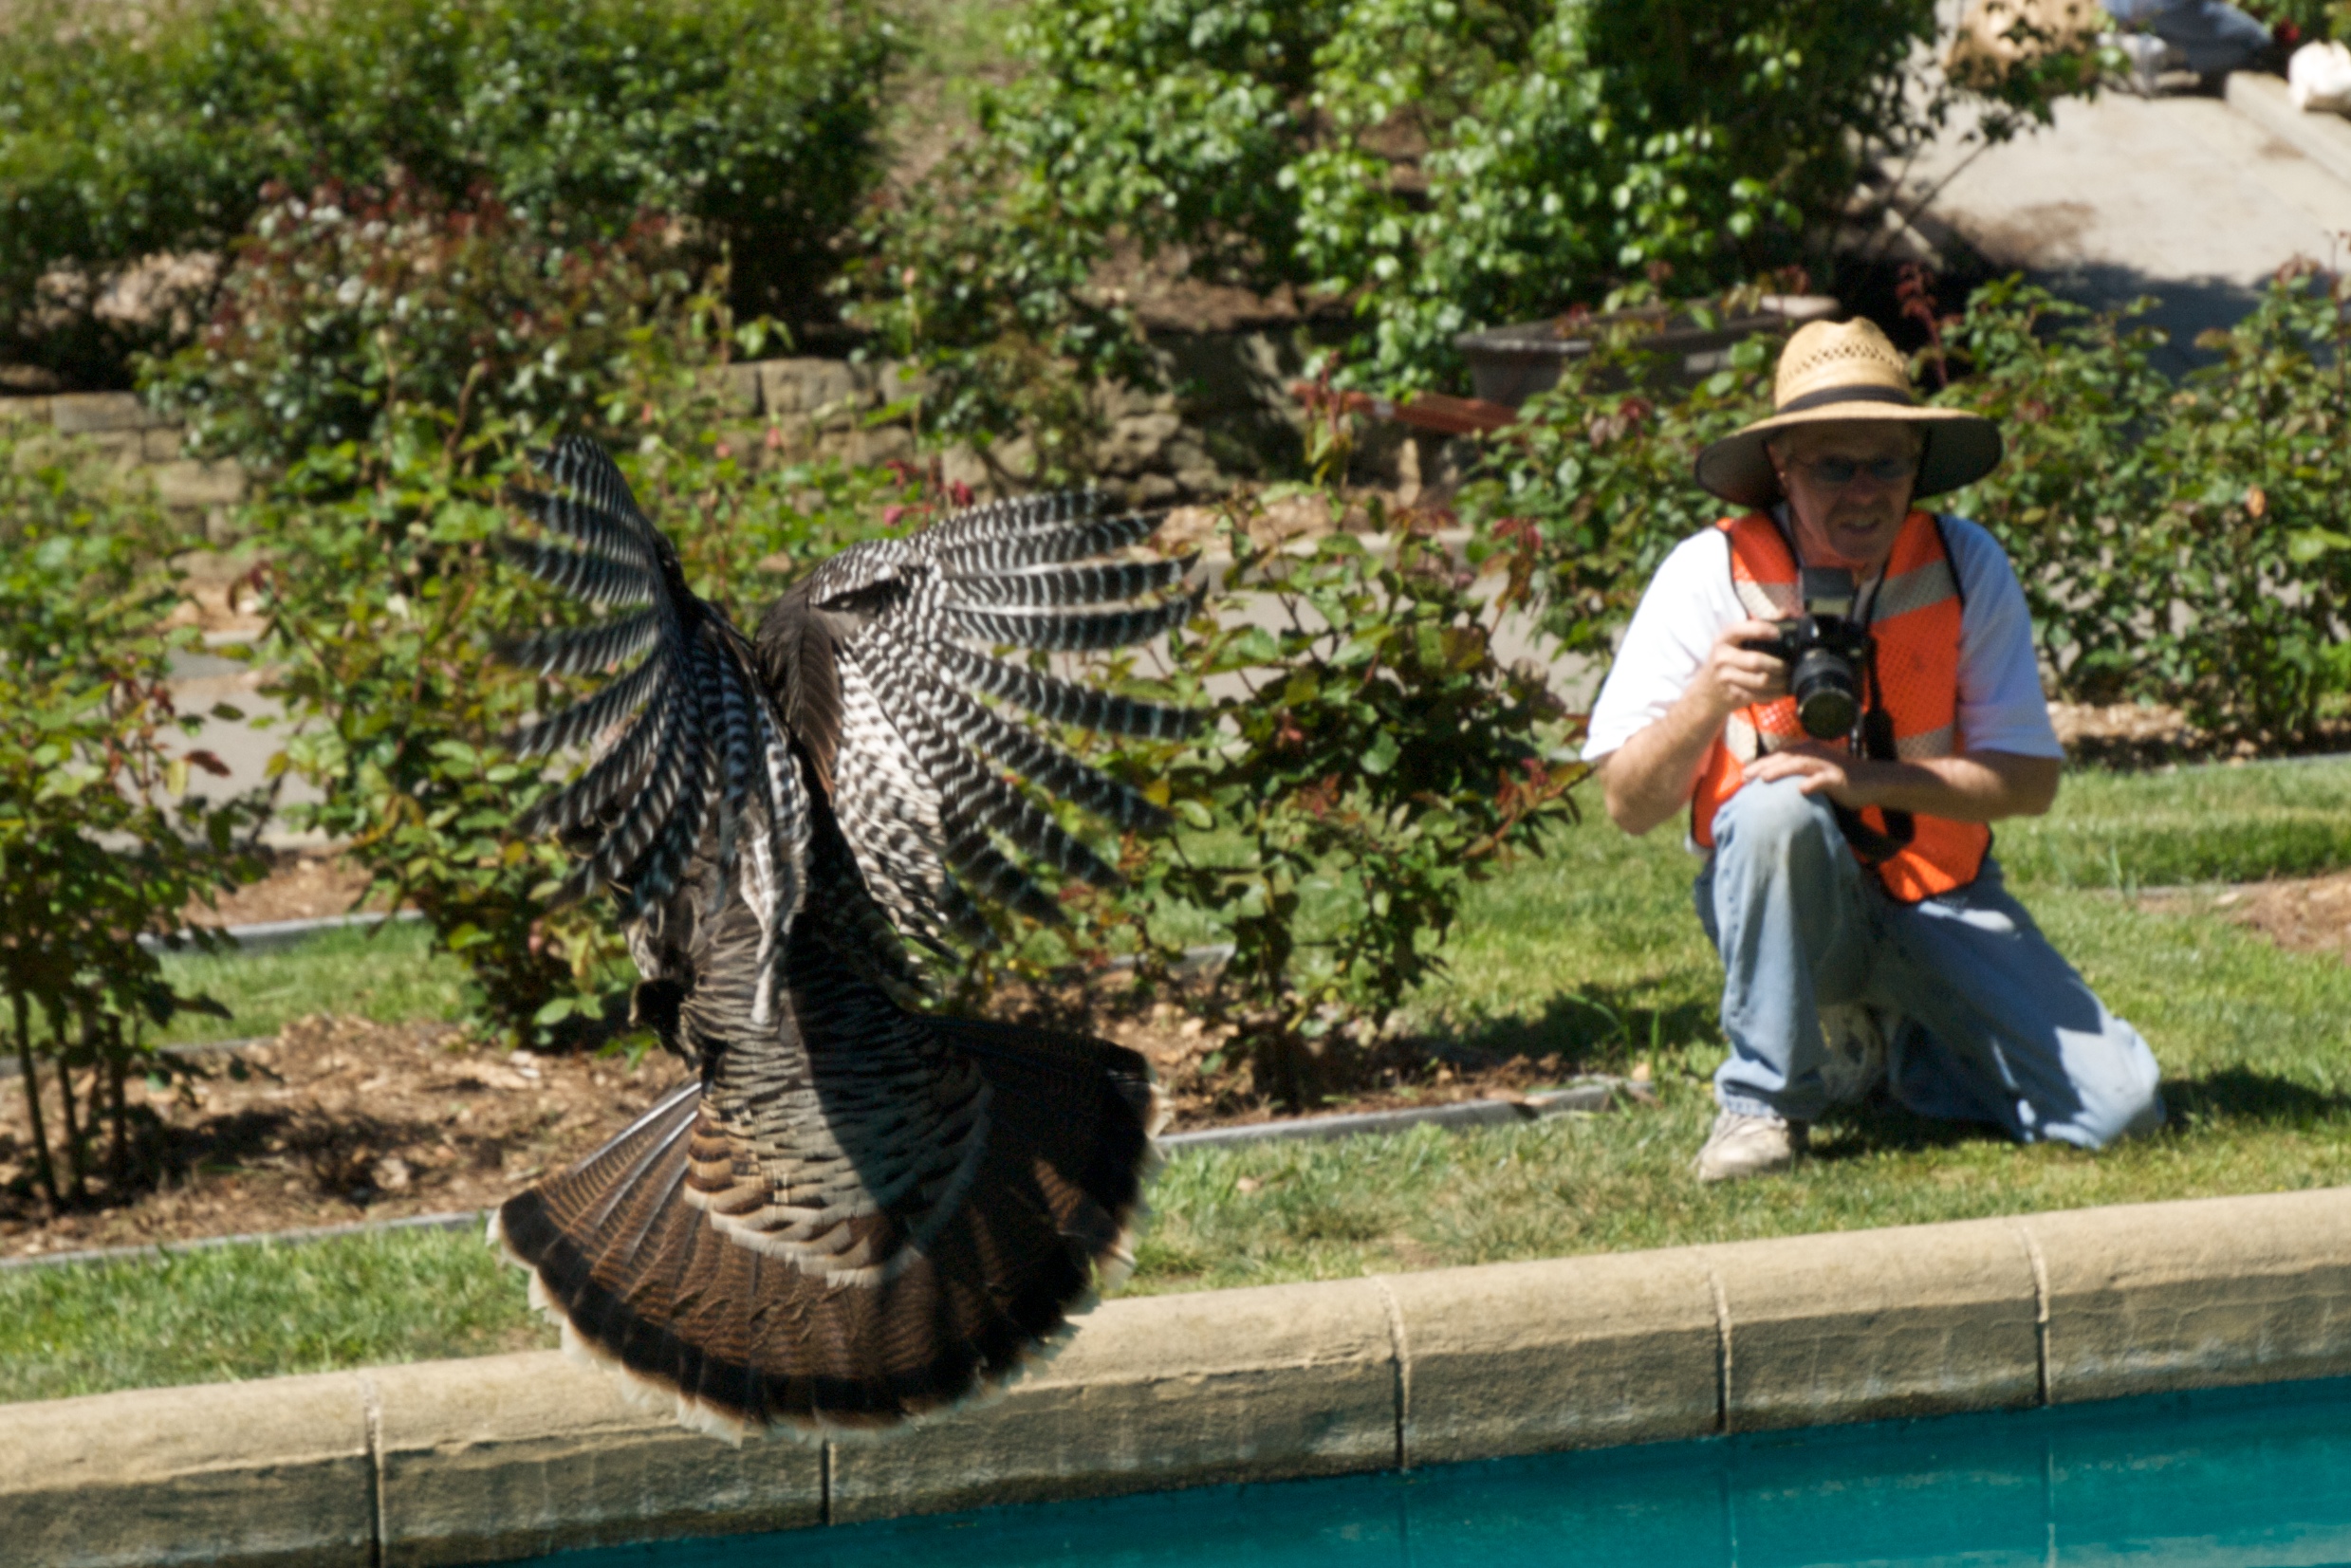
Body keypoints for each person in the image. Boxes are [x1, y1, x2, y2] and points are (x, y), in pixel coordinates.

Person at [1583, 317, 2165, 1182]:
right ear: (1782, 466)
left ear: (1916, 466)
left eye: (1886, 464)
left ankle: (1894, 1055)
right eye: (1833, 466)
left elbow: (2031, 782)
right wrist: (1710, 694)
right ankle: (1763, 1104)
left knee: (2123, 1111)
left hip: (1943, 899)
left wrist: (1865, 780)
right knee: (1776, 805)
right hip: (1793, 912)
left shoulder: (1966, 563)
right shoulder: (1709, 574)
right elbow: (1628, 805)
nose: (1863, 491)